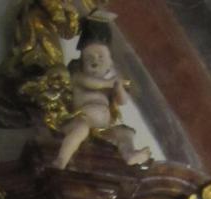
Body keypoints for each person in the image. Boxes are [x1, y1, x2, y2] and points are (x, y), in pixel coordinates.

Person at [53, 17, 150, 169]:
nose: (95, 60)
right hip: (80, 120)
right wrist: (111, 83)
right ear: (81, 62)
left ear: (109, 65)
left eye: (101, 57)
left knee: (124, 132)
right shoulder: (78, 76)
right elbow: (92, 83)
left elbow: (122, 101)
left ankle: (129, 154)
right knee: (80, 129)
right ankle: (61, 161)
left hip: (103, 130)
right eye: (89, 57)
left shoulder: (109, 85)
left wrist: (119, 87)